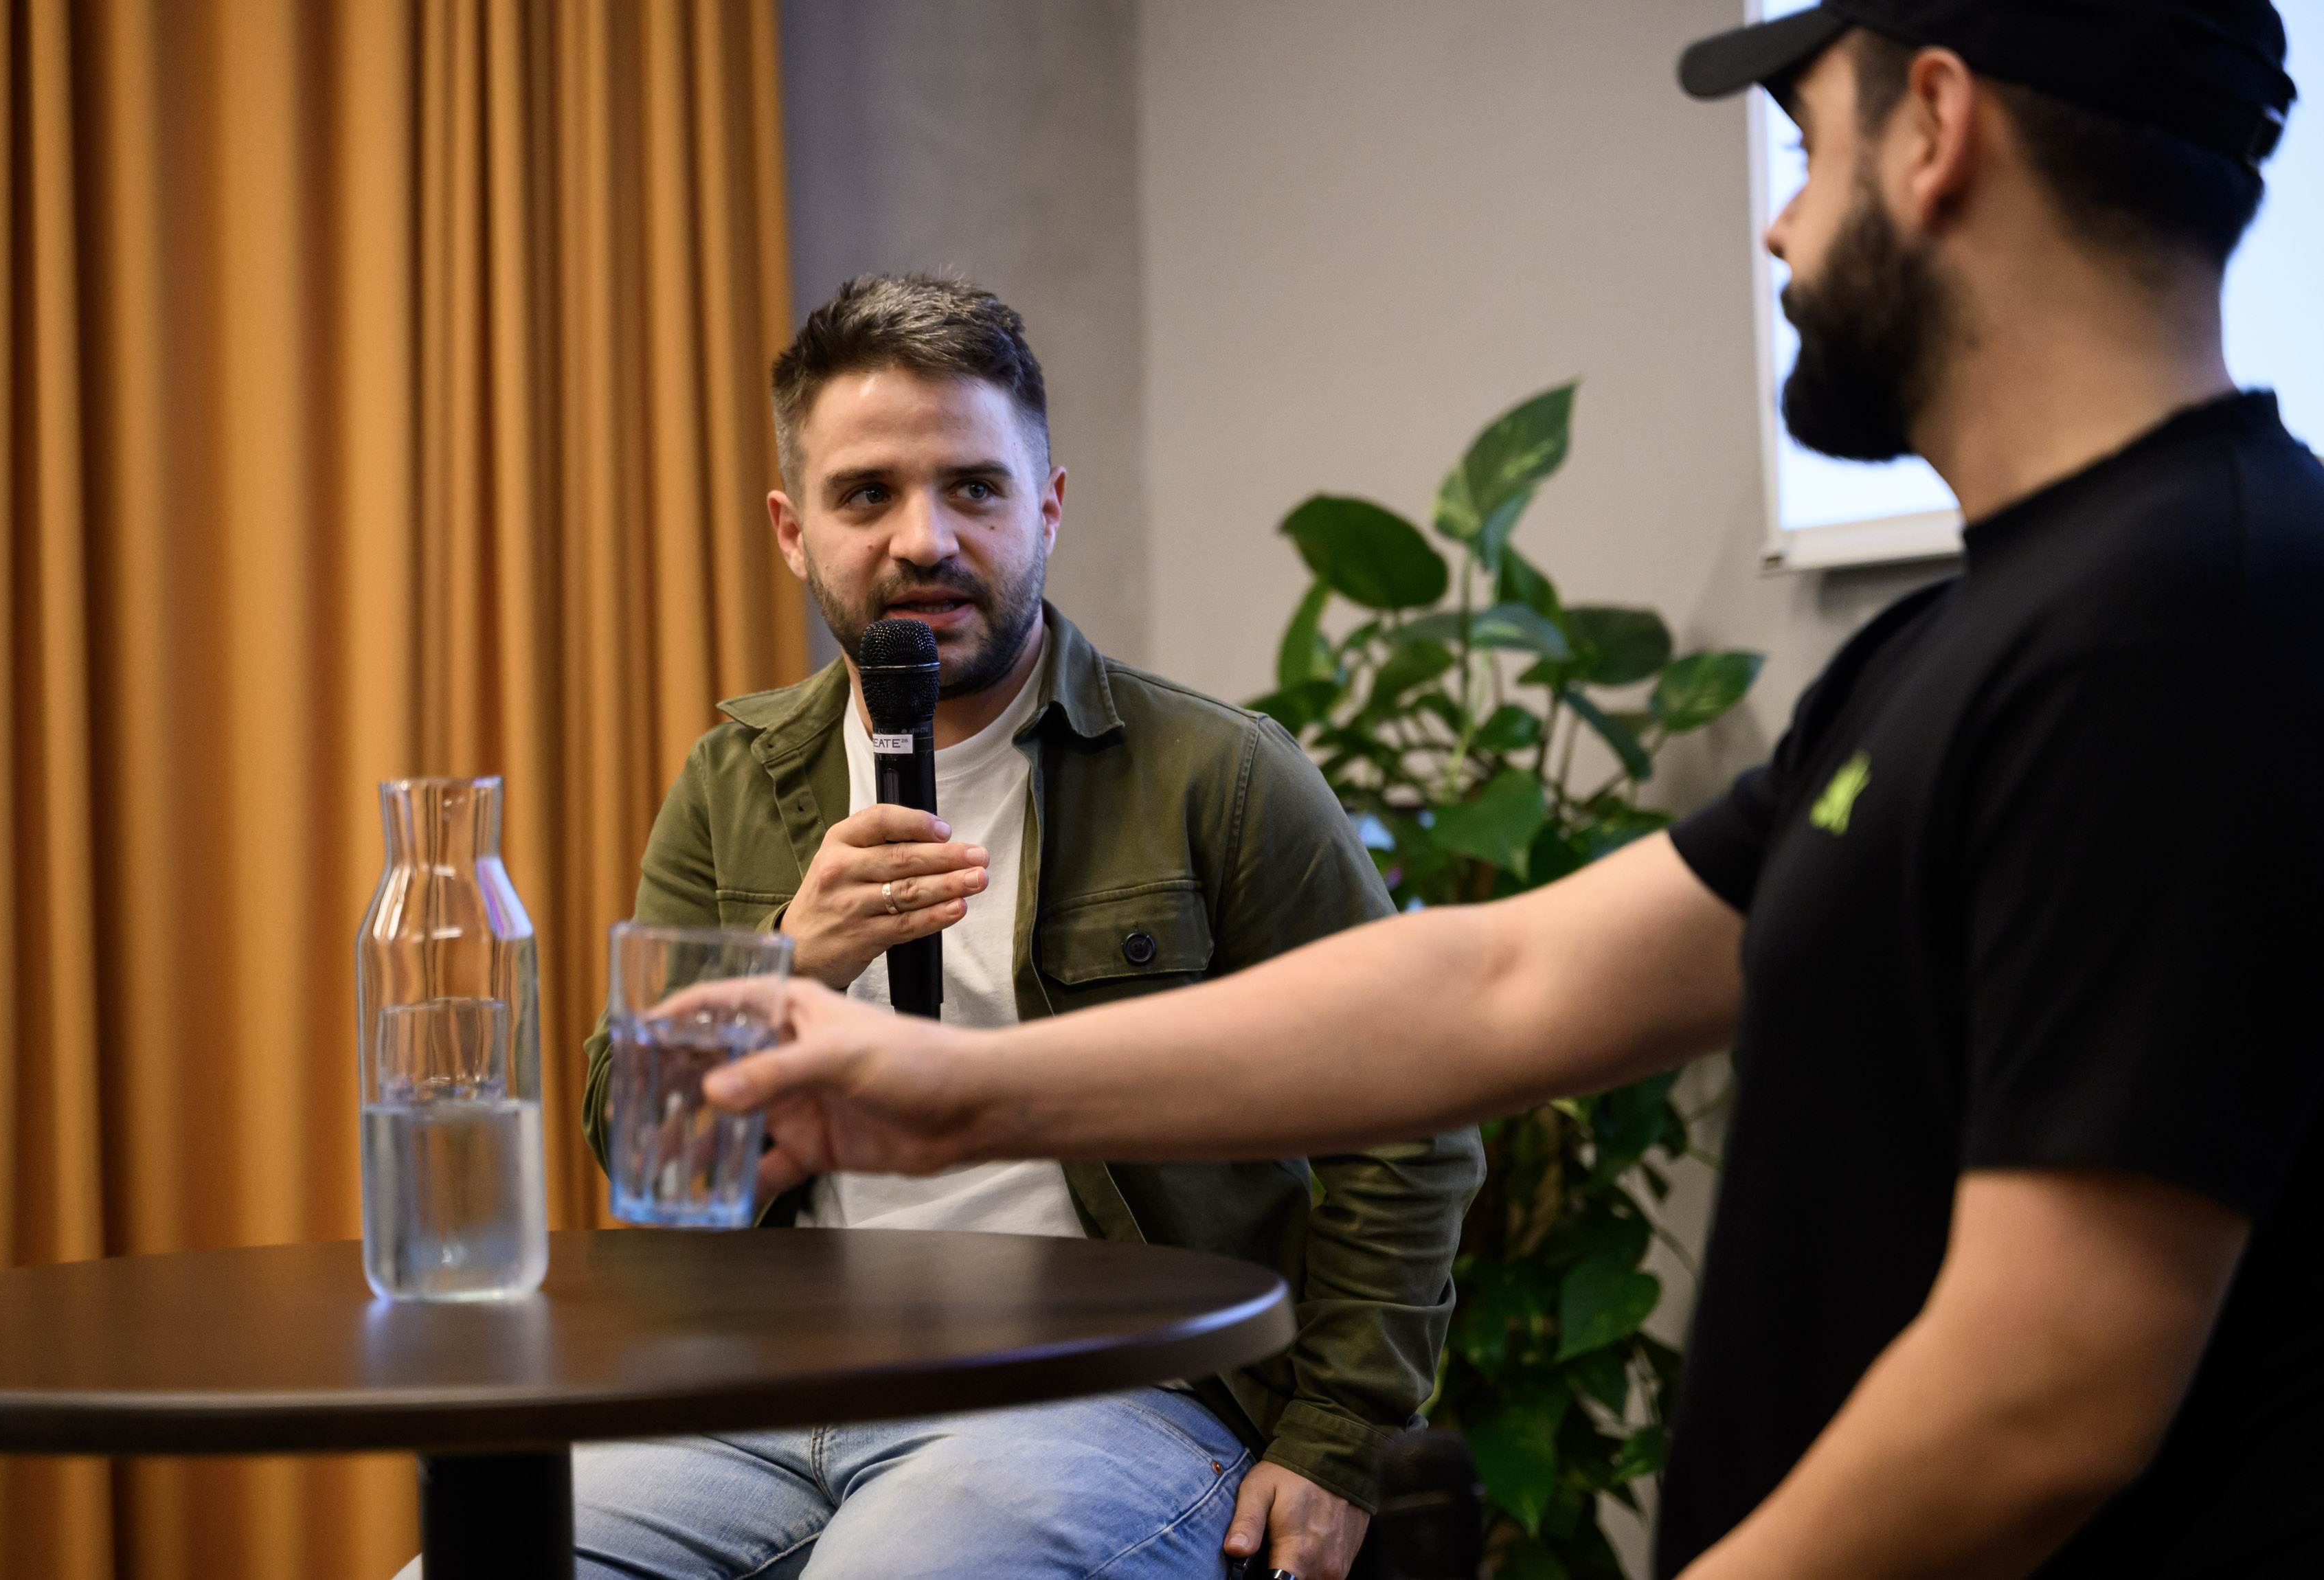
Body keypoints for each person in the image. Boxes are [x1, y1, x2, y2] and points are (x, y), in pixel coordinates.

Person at [701, 6, 2324, 1578]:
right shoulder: (1959, 646)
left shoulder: (2191, 622)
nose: (1779, 227)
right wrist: (946, 1088)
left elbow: (2050, 1392)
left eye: (1806, 152)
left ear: (1937, 132)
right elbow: (1504, 980)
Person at [567, 274, 1482, 1580]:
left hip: (1107, 1394)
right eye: (866, 494)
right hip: (763, 1391)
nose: (923, 539)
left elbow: (1416, 1113)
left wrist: (1338, 1440)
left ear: (1045, 507)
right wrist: (787, 956)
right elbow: (638, 1146)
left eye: (974, 489)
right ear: (792, 530)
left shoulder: (1218, 776)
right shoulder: (732, 782)